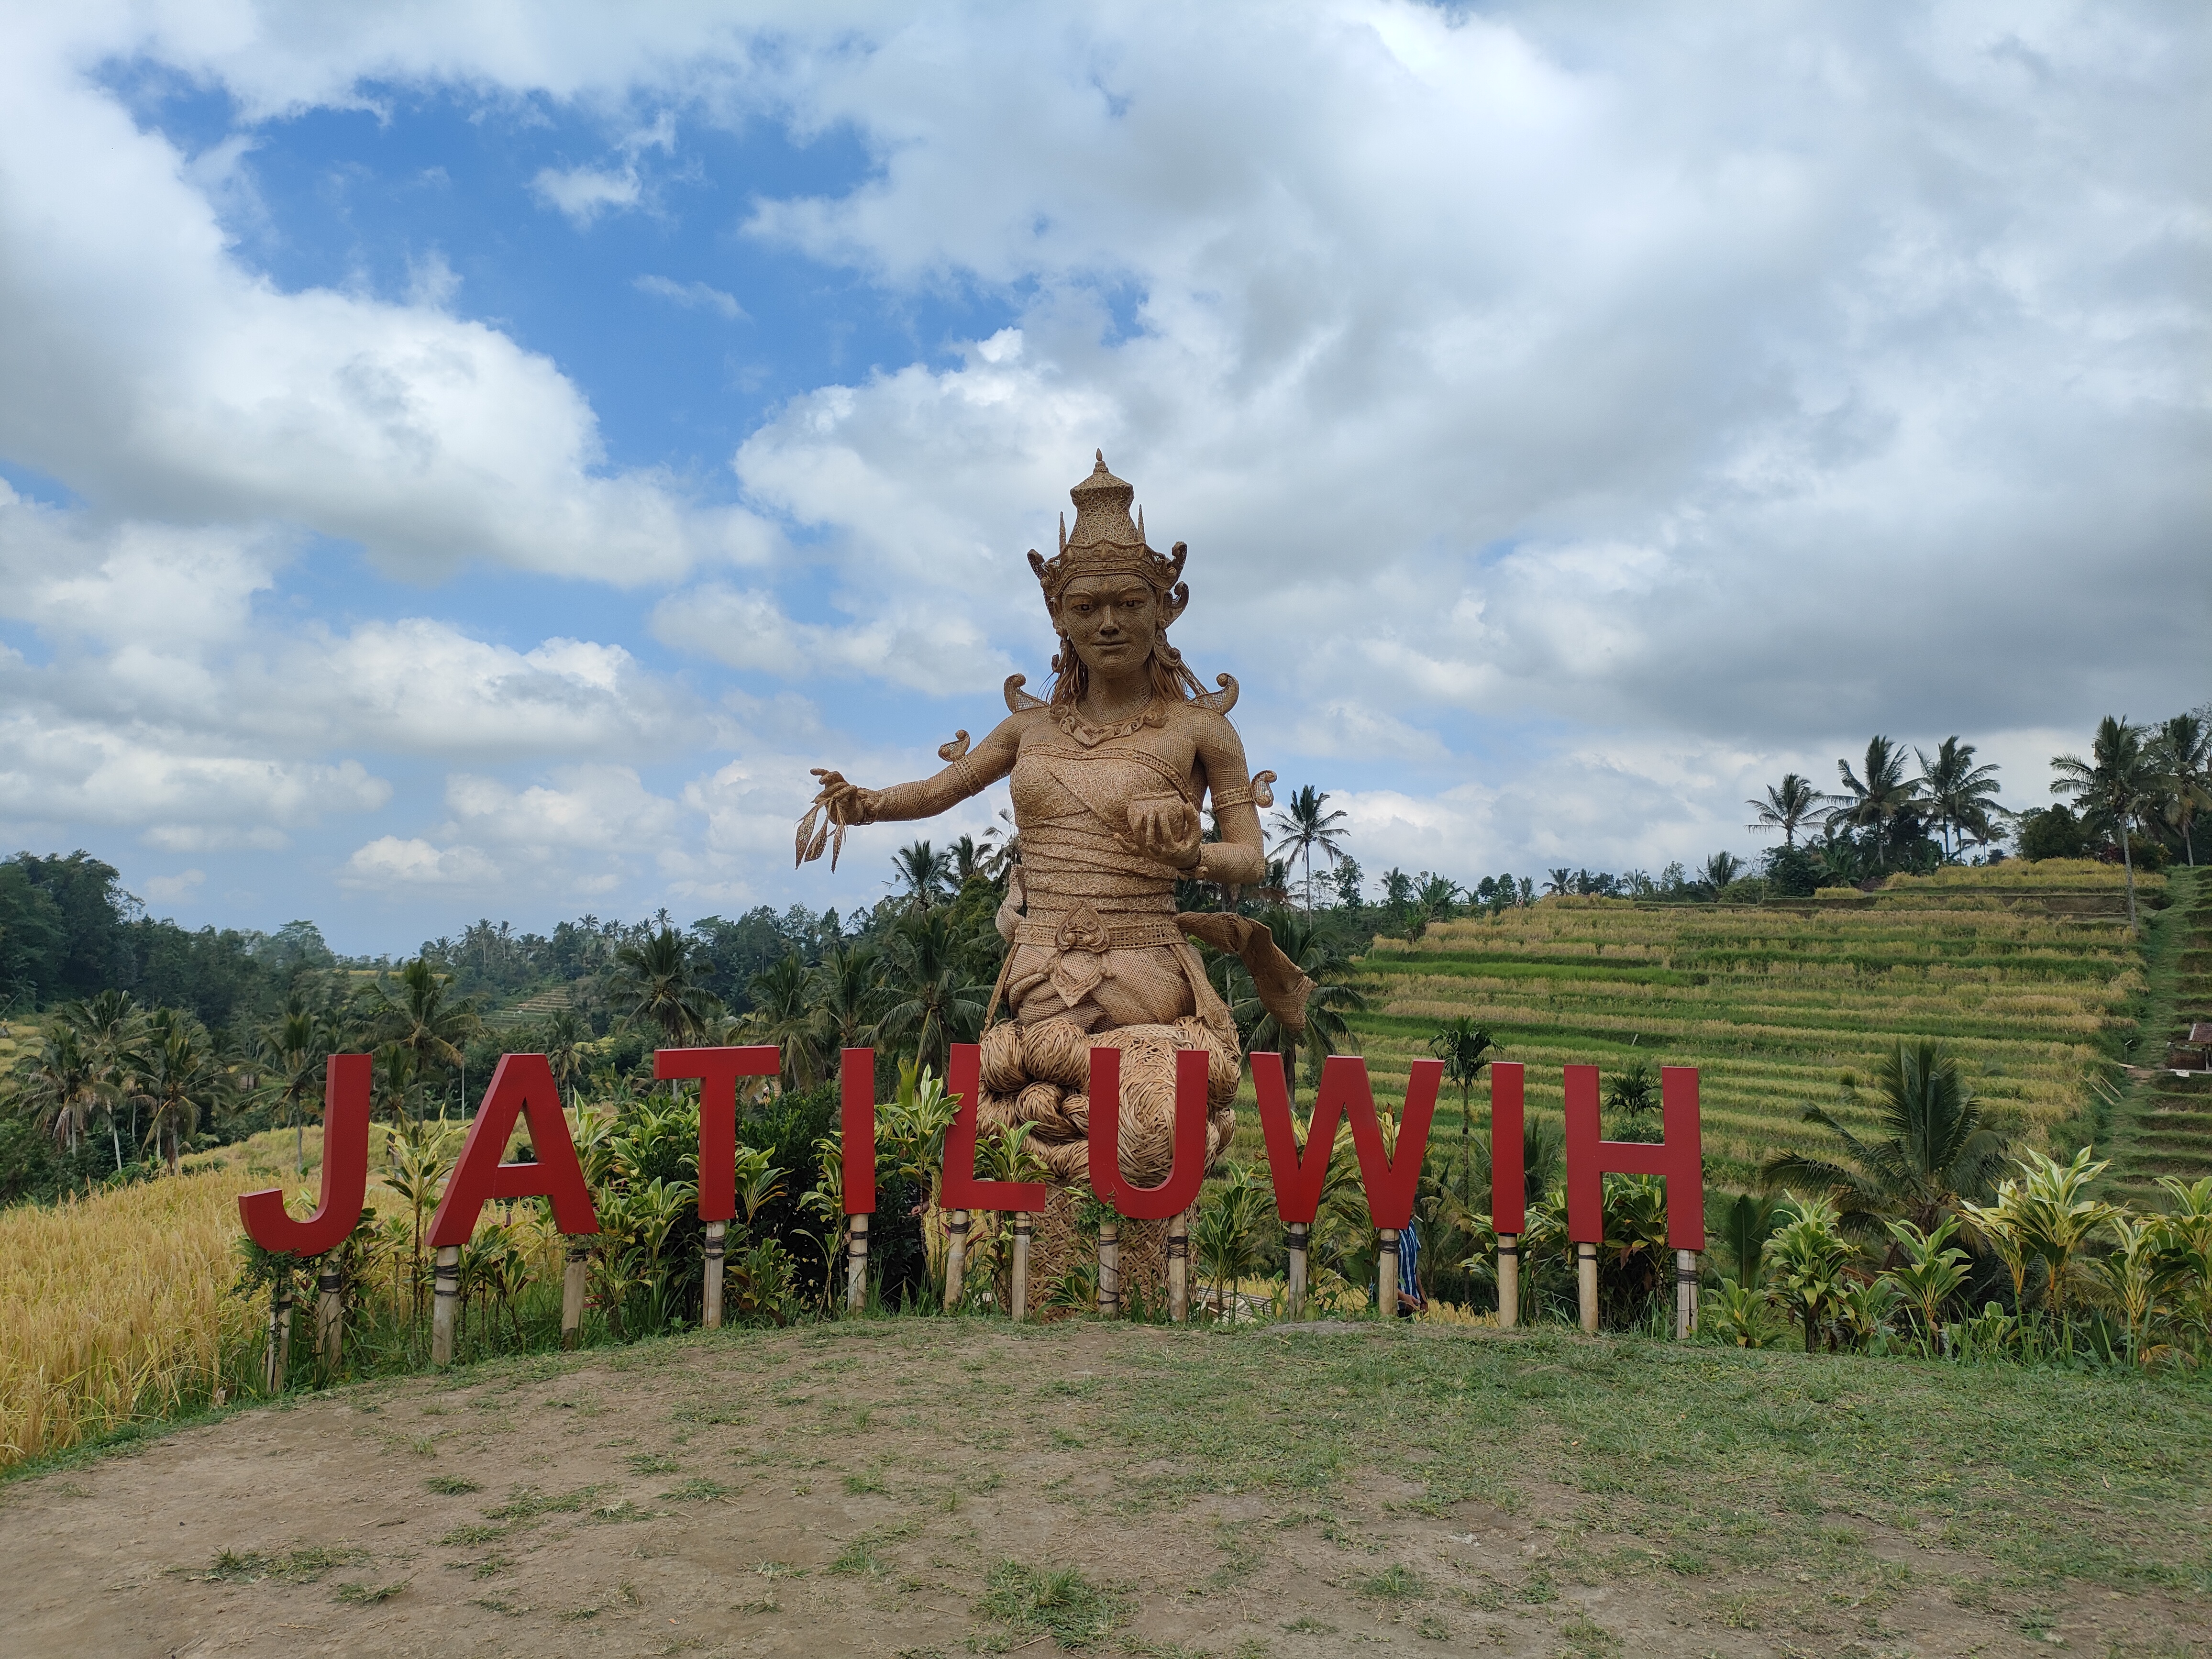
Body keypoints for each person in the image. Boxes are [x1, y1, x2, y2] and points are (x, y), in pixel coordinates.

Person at [798, 453, 1311, 1182]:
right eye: (1086, 607)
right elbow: (945, 788)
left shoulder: (1200, 731)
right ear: (1057, 615)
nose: (1108, 623)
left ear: (1165, 608)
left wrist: (1190, 856)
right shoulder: (1029, 731)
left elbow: (1250, 859)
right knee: (1035, 1117)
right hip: (1040, 973)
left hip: (1145, 972)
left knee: (1148, 1127)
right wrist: (867, 804)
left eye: (1129, 604)